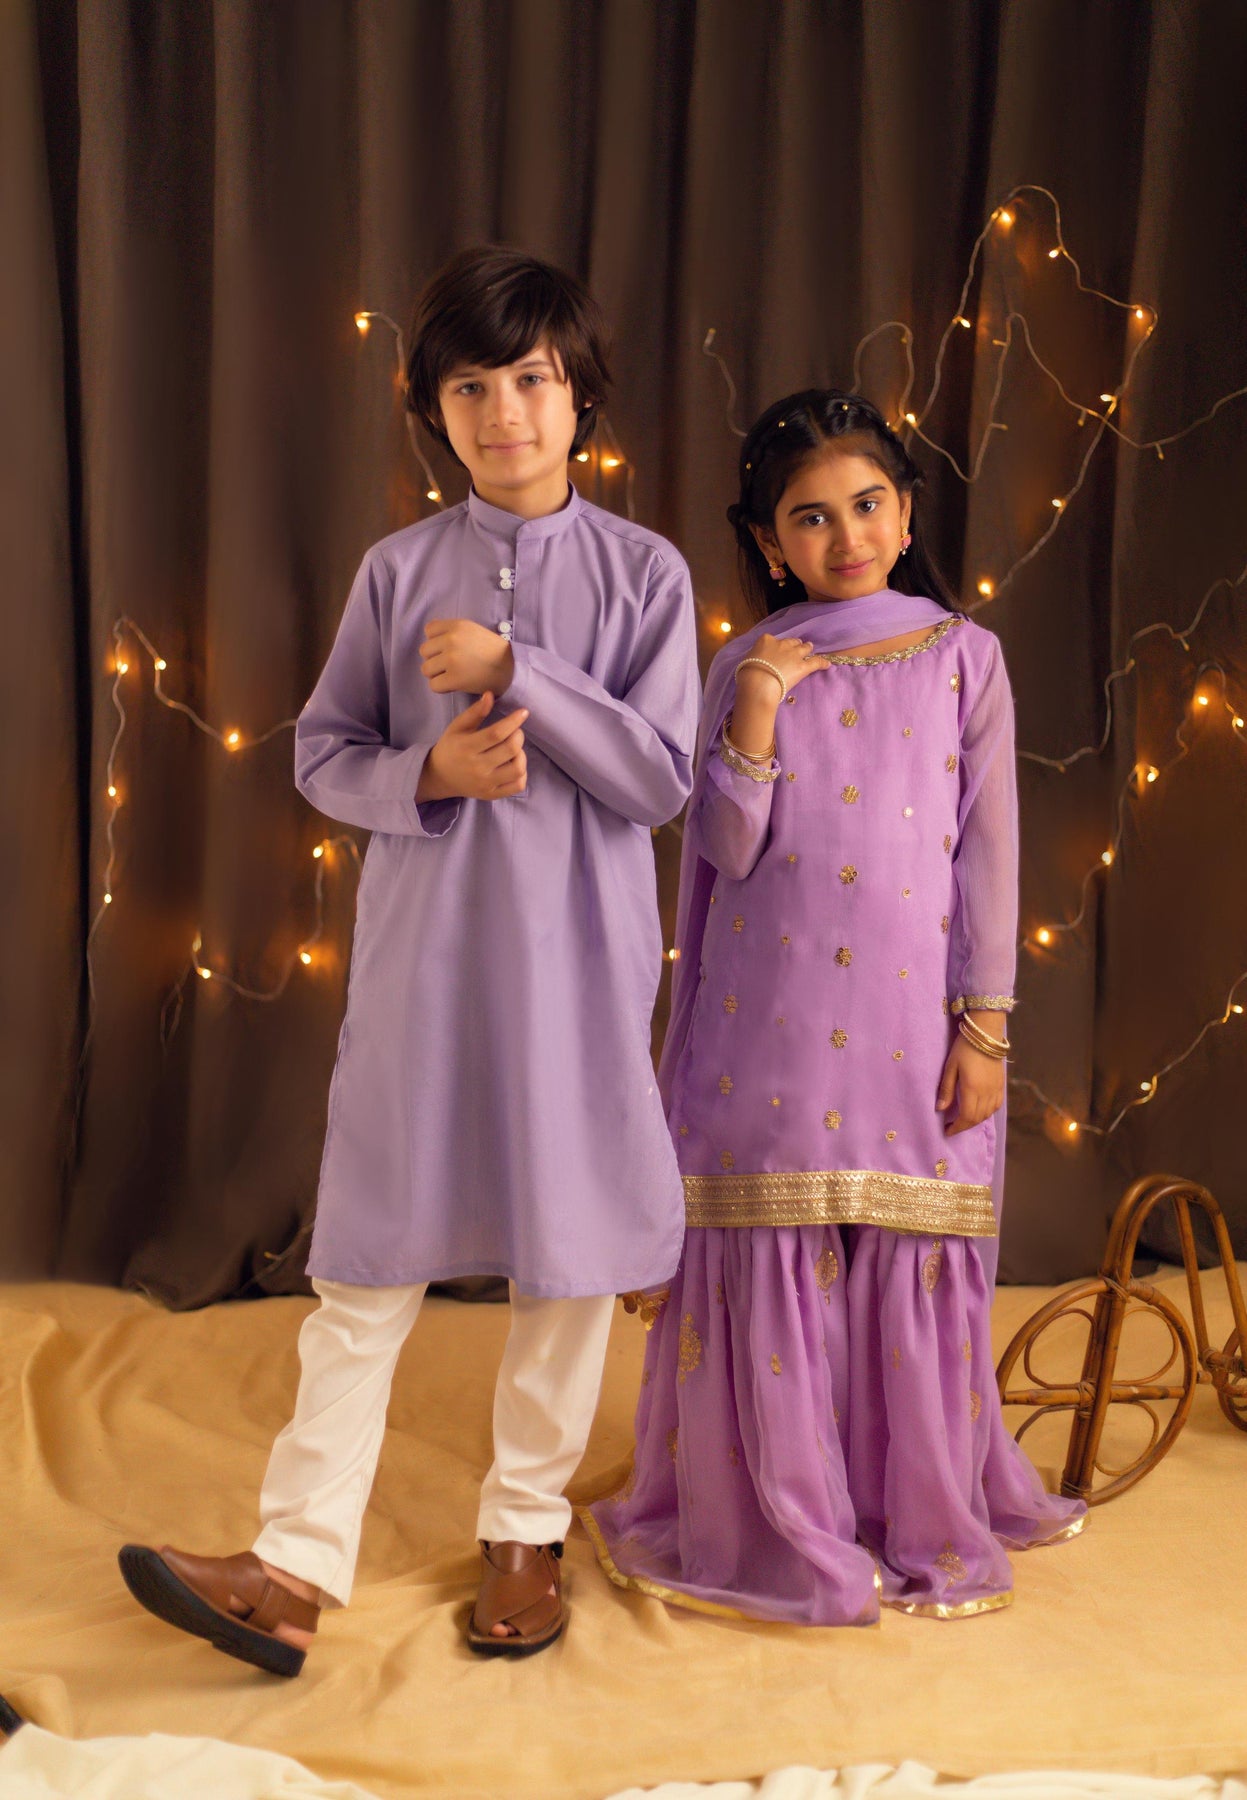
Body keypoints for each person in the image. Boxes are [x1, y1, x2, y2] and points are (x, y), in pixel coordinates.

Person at [119, 246, 701, 1669]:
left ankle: (524, 1534)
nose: (504, 413)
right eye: (469, 387)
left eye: (530, 381)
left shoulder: (644, 575)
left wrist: (518, 672)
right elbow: (323, 755)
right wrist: (431, 770)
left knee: (567, 1264)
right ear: (431, 409)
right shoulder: (395, 574)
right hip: (420, 972)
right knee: (365, 1269)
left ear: (578, 396)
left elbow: (659, 777)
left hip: (576, 974)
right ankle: (291, 1566)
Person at [585, 388, 1085, 1625]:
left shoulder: (963, 657)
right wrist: (756, 703)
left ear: (905, 513)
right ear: (769, 544)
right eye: (810, 518)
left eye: (866, 505)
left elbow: (987, 855)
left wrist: (984, 1026)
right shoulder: (748, 662)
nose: (846, 535)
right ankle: (776, 1512)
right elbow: (724, 850)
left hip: (914, 1027)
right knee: (773, 1242)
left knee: (903, 1242)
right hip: (765, 1026)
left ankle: (905, 1506)